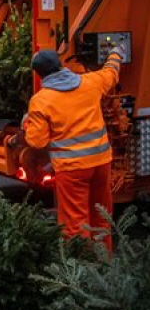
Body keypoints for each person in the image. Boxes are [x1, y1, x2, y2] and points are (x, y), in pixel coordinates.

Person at [20, 44, 125, 251]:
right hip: (101, 163)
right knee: (101, 217)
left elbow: (37, 141)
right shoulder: (90, 82)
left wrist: (27, 123)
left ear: (39, 75)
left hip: (72, 169)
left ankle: (80, 274)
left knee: (75, 225)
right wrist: (116, 53)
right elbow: (111, 73)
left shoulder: (41, 101)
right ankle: (105, 268)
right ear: (60, 65)